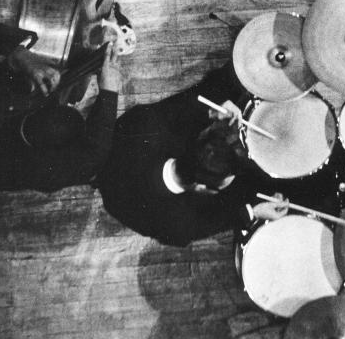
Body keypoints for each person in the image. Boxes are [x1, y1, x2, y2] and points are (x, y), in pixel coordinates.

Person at [95, 62, 290, 248]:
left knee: (214, 89)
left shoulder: (145, 125)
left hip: (119, 158)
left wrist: (210, 113)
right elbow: (211, 221)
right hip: (120, 196)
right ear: (201, 188)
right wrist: (253, 211)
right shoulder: (178, 225)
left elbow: (173, 109)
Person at [0, 39, 121, 193]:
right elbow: (91, 159)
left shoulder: (16, 166)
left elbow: (92, 158)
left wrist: (18, 54)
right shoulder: (32, 168)